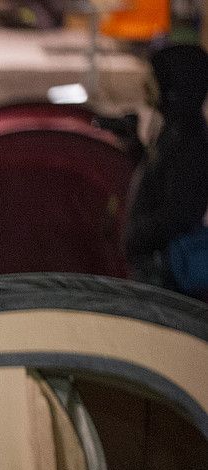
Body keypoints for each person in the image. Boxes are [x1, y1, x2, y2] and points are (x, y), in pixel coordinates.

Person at [123, 41, 208, 294]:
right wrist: (136, 147)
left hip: (166, 272)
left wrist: (136, 236)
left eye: (153, 78)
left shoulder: (189, 142)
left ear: (173, 85)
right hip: (159, 263)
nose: (146, 86)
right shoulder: (174, 130)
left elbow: (179, 213)